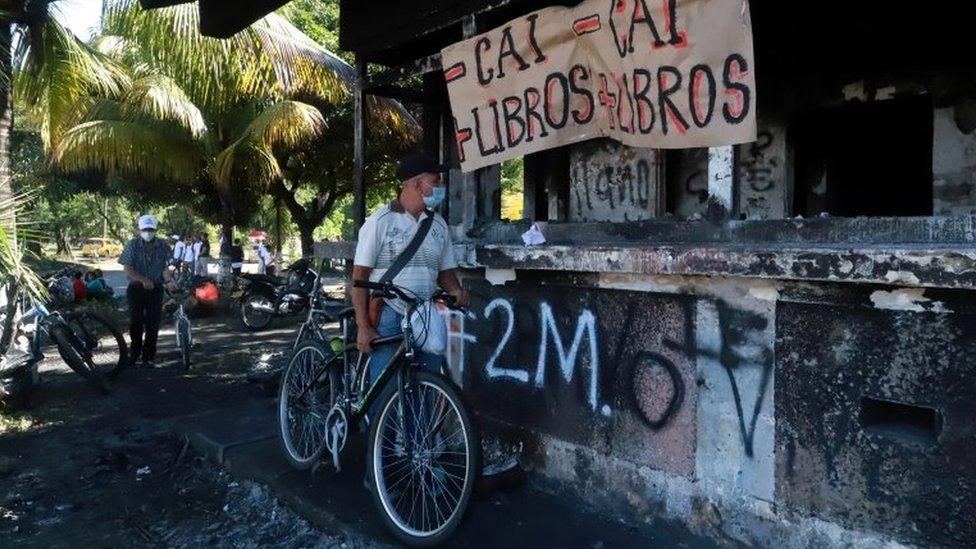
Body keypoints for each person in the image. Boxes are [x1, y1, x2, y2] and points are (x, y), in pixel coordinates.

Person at [352, 152, 469, 418]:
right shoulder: (380, 222)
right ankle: (382, 454)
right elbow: (359, 280)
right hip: (388, 314)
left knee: (427, 386)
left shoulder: (438, 225)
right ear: (417, 184)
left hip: (424, 313)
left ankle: (419, 453)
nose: (440, 187)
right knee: (385, 394)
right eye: (436, 181)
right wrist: (363, 327)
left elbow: (445, 272)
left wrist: (456, 291)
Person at [119, 214, 177, 369]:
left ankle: (148, 357)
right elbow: (127, 268)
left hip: (156, 289)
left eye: (151, 229)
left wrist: (169, 281)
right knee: (136, 322)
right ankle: (134, 354)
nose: (148, 232)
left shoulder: (163, 246)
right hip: (136, 288)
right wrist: (143, 280)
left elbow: (166, 268)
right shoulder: (132, 245)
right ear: (140, 229)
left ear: (155, 229)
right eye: (145, 229)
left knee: (152, 324)